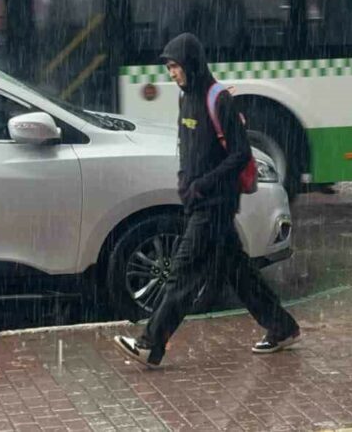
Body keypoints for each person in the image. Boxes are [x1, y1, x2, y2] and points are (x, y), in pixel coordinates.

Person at [114, 33, 300, 368]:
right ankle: (281, 327)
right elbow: (190, 147)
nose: (172, 74)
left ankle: (150, 344)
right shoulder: (186, 99)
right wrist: (185, 183)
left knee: (183, 272)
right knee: (238, 271)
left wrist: (203, 183)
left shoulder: (219, 100)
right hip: (199, 201)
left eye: (175, 66)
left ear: (192, 64)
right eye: (169, 67)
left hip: (216, 205)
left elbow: (240, 153)